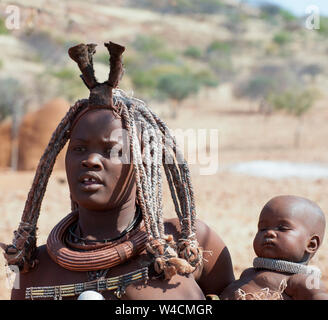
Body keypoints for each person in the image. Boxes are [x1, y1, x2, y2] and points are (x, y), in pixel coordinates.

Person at [4, 41, 234, 300]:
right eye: (79, 149)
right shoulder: (36, 271)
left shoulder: (189, 244)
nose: (91, 160)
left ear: (143, 160)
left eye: (110, 150)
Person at [220, 195, 328, 300]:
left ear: (311, 244)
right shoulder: (248, 273)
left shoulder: (306, 281)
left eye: (282, 228)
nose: (269, 233)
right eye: (262, 228)